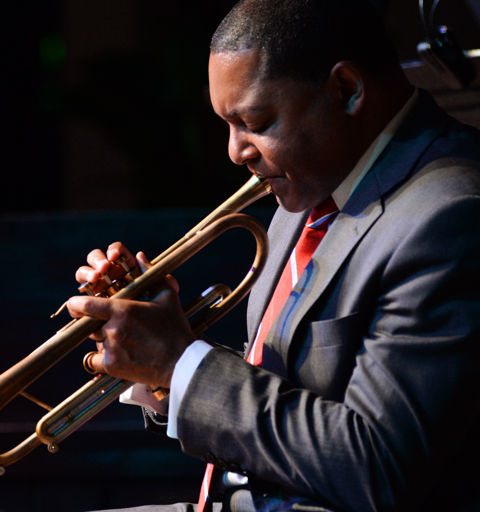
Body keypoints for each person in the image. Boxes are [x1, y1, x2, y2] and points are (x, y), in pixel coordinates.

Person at [67, 1, 480, 511]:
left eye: (255, 121)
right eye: (226, 124)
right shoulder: (312, 183)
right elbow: (290, 389)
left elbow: (377, 464)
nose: (235, 151)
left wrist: (182, 362)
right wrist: (159, 359)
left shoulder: (452, 215)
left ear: (346, 90)